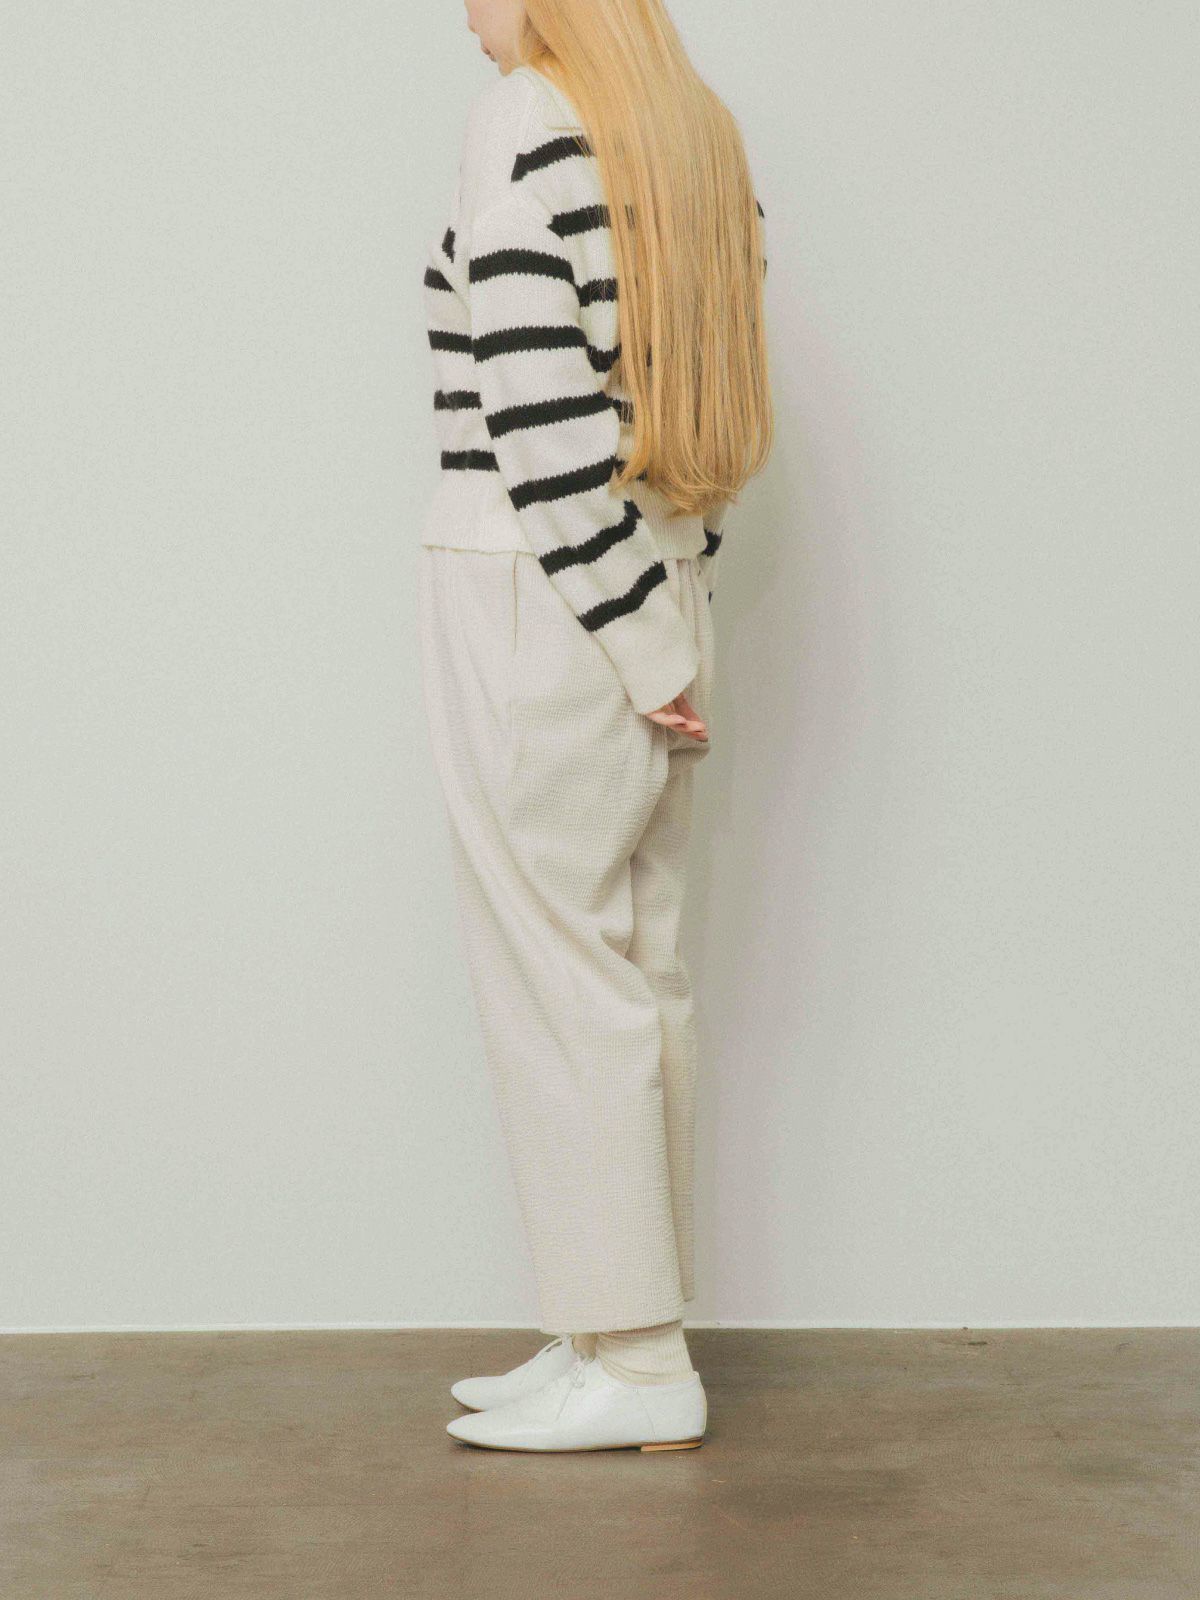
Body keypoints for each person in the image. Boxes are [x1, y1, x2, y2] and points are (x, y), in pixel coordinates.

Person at [418, 0, 771, 1452]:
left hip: (539, 591)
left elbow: (536, 408)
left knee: (558, 974)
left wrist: (624, 633)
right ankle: (610, 1330)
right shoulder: (692, 131)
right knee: (635, 965)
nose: (460, 13)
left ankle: (633, 1357)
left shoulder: (524, 117)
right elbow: (715, 392)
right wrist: (667, 606)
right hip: (655, 573)